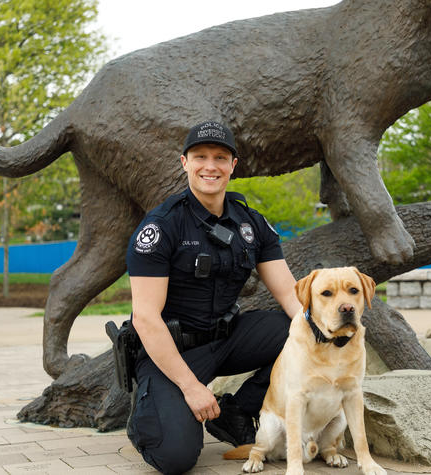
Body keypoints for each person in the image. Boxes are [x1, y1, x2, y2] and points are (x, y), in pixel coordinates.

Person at [125, 121, 300, 474]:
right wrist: (191, 387)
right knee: (175, 458)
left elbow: (290, 295)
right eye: (200, 156)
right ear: (184, 163)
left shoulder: (252, 224)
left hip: (225, 340)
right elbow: (145, 318)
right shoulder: (161, 227)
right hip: (171, 354)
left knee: (301, 329)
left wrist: (322, 335)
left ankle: (237, 410)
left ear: (233, 165)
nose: (210, 166)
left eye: (220, 157)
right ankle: (145, 419)